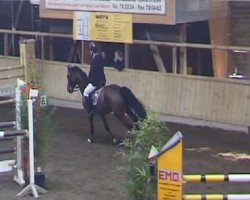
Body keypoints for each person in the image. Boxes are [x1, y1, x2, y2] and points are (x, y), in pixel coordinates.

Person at [83, 42, 106, 113]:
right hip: (103, 80)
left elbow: (91, 73)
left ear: (92, 51)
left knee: (86, 92)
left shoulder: (93, 60)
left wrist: (87, 81)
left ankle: (90, 108)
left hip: (96, 82)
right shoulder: (100, 58)